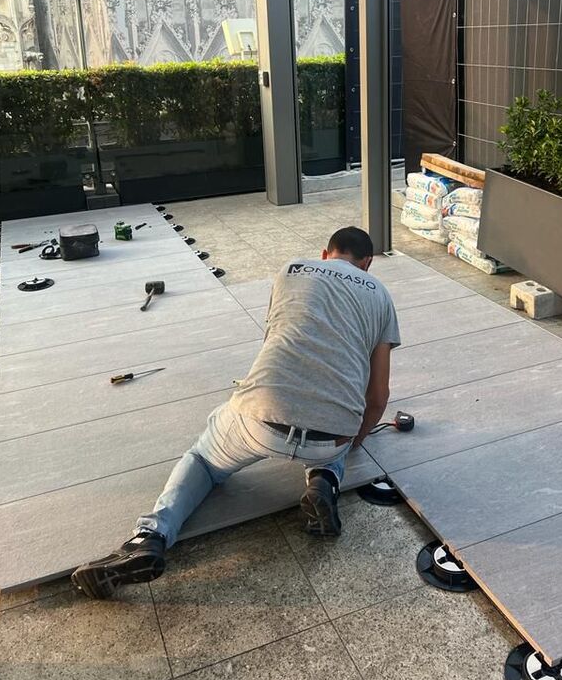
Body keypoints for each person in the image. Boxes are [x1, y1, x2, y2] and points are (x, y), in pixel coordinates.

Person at [72, 226, 400, 599]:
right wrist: (352, 442)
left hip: (261, 417)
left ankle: (149, 537)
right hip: (330, 436)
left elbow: (277, 339)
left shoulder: (293, 269)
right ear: (368, 264)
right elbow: (377, 397)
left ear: (325, 254)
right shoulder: (382, 297)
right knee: (338, 431)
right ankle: (323, 481)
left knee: (204, 459)